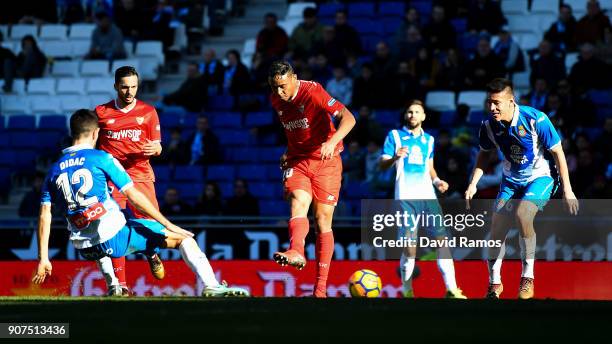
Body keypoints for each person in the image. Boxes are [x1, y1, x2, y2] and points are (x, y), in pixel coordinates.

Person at [32, 109, 248, 297]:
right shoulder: (102, 158)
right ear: (96, 133)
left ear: (73, 133)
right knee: (183, 239)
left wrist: (43, 258)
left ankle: (114, 285)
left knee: (109, 226)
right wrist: (169, 224)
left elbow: (44, 216)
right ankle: (211, 285)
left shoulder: (53, 170)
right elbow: (134, 195)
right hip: (115, 239)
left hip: (85, 247)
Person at [464, 78, 579, 299]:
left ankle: (527, 279)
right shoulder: (488, 126)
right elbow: (484, 154)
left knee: (522, 214)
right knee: (496, 230)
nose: (492, 107)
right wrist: (473, 183)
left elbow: (558, 153)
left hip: (541, 177)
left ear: (511, 101)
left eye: (497, 102)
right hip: (510, 181)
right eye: (489, 102)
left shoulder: (537, 119)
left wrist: (568, 189)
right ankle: (494, 284)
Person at [268, 61, 356, 297]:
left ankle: (320, 288)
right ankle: (296, 250)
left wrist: (332, 140)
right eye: (275, 87)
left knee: (322, 219)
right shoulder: (276, 100)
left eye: (283, 86)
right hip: (299, 161)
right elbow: (295, 131)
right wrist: (289, 151)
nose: (279, 92)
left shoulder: (313, 91)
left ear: (294, 78)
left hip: (327, 161)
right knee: (298, 201)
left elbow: (349, 118)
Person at [379, 100, 467, 299]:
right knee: (410, 249)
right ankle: (407, 289)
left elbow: (430, 167)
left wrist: (437, 182)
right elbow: (382, 164)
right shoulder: (395, 136)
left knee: (442, 242)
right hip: (406, 199)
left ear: (424, 116)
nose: (412, 115)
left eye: (417, 112)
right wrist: (394, 157)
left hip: (428, 197)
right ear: (405, 115)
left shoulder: (429, 140)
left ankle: (452, 289)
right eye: (410, 112)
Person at [95, 66, 164, 295]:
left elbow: (158, 146)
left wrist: (156, 148)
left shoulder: (148, 112)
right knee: (115, 227)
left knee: (154, 225)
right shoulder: (101, 113)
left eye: (133, 86)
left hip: (140, 174)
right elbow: (90, 142)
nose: (129, 91)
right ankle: (121, 285)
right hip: (112, 178)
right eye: (124, 86)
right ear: (116, 86)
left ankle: (151, 253)